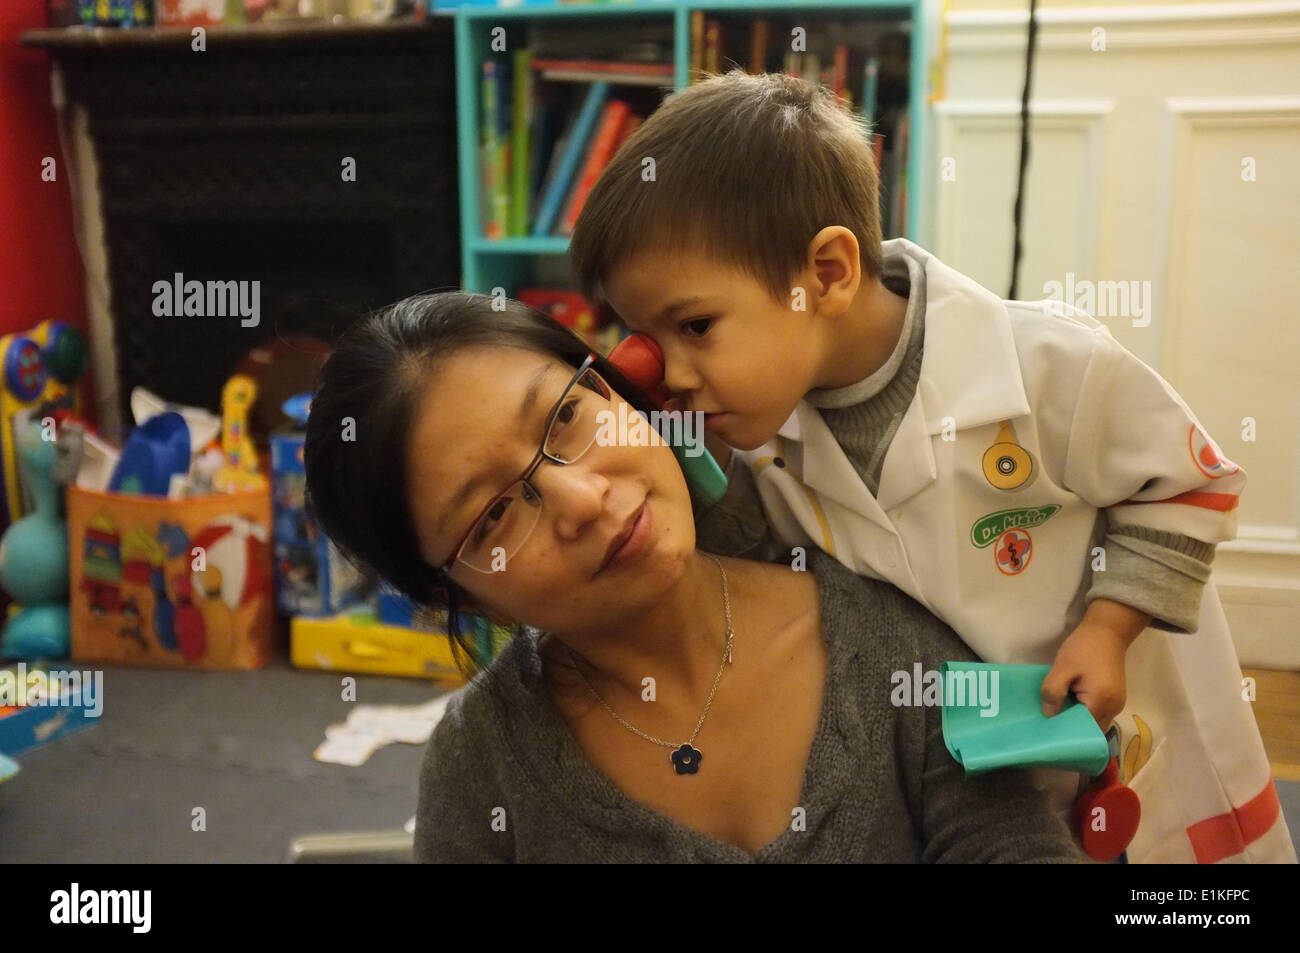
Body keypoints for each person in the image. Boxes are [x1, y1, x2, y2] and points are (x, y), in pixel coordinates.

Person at [568, 70, 1294, 863]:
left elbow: (1190, 482)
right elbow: (759, 571)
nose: (669, 370)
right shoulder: (762, 439)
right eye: (648, 339)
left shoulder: (1048, 365)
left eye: (695, 326)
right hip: (978, 783)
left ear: (828, 274)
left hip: (1140, 743)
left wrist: (1109, 626)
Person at [302, 292, 1086, 863]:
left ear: (618, 388)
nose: (581, 498)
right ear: (457, 593)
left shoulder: (890, 645)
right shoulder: (483, 771)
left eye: (565, 416)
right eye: (496, 515)